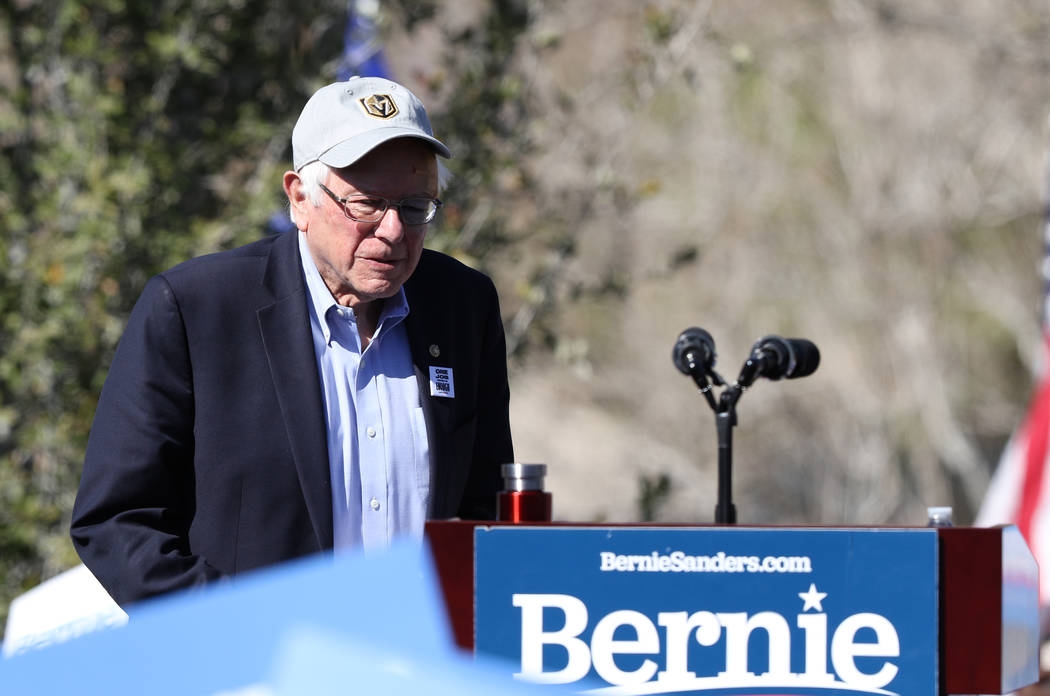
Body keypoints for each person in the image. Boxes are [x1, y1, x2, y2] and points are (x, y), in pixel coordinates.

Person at [70, 77, 514, 607]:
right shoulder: (195, 309)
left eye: (416, 207)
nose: (394, 231)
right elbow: (117, 522)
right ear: (300, 198)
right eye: (367, 203)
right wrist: (241, 635)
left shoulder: (462, 306)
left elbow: (485, 505)